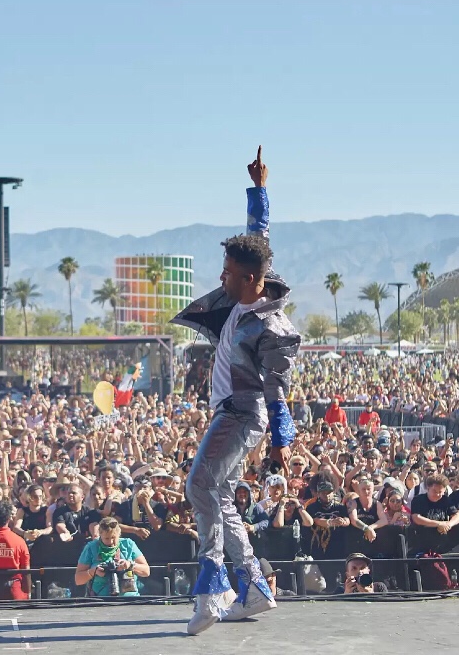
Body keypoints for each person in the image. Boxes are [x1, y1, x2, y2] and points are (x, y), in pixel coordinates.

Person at [173, 147, 300, 634]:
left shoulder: (273, 327)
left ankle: (213, 587)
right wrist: (259, 189)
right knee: (219, 496)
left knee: (198, 486)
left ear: (249, 279)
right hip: (230, 412)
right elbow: (258, 235)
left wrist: (281, 442)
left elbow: (278, 391)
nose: (220, 277)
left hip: (243, 414)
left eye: (226, 272)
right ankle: (255, 588)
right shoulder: (244, 289)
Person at [75, 516, 150, 596]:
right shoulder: (91, 548)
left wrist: (130, 565)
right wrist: (92, 572)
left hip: (130, 599)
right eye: (107, 538)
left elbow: (146, 571)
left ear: (119, 534)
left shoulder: (128, 544)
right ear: (100, 535)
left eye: (113, 537)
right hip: (100, 599)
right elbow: (78, 580)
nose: (111, 542)